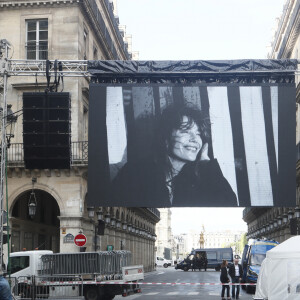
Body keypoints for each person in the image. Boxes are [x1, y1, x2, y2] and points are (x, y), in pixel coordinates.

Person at [113, 105, 237, 207]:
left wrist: (207, 164)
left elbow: (229, 204)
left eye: (198, 133)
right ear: (165, 138)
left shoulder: (198, 177)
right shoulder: (136, 172)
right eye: (185, 131)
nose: (195, 139)